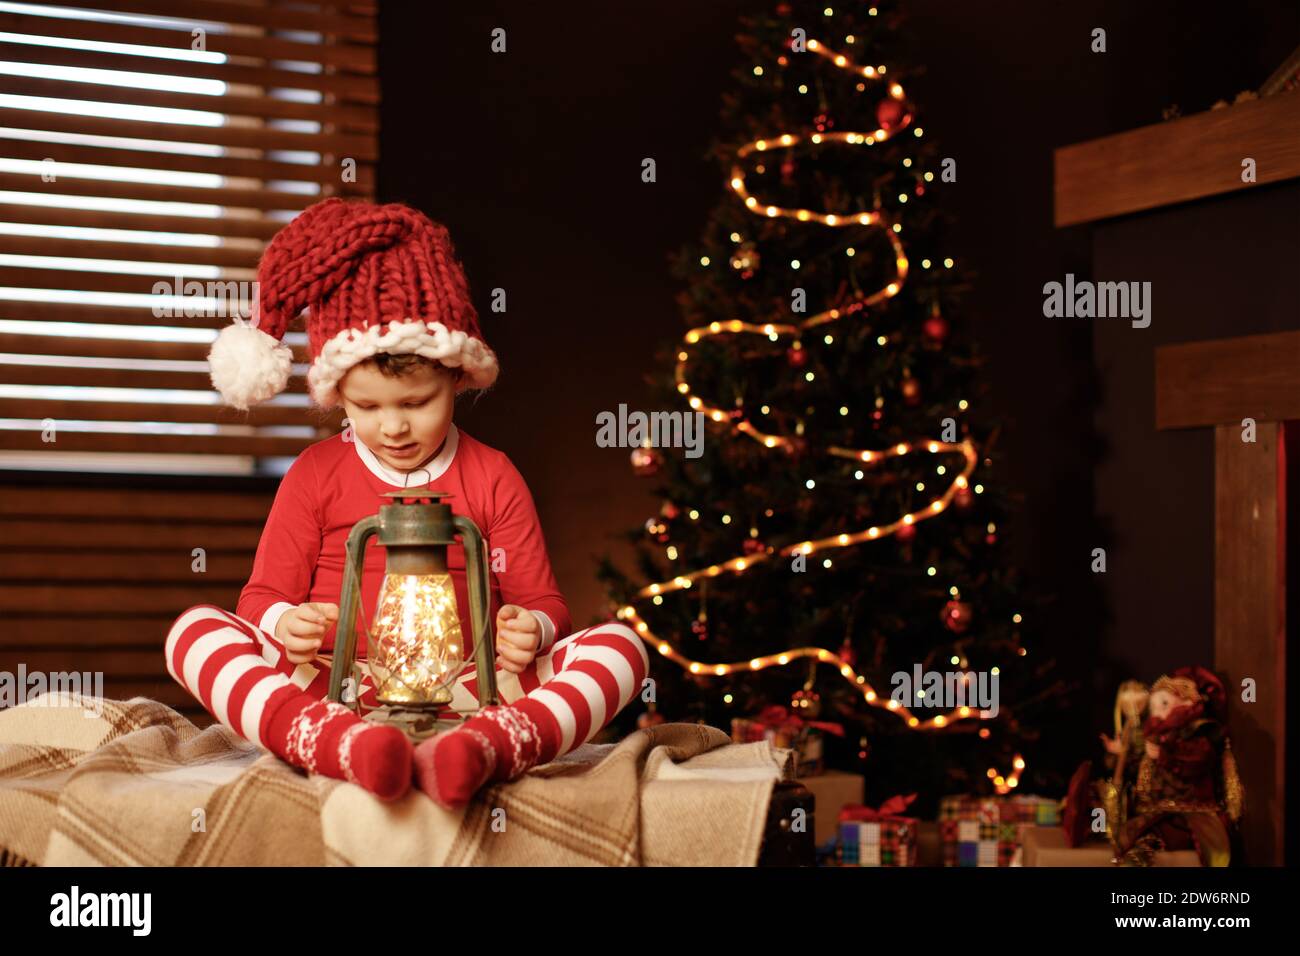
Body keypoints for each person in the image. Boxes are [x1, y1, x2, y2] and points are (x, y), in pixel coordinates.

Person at [165, 198, 649, 808]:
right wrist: (283, 624)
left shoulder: (493, 475)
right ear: (338, 394)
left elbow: (543, 602)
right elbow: (260, 599)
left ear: (456, 378)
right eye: (367, 407)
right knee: (196, 633)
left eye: (416, 402)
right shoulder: (316, 474)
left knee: (622, 648)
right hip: (333, 685)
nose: (393, 427)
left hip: (471, 688)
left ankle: (491, 747)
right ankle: (334, 742)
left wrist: (533, 629)